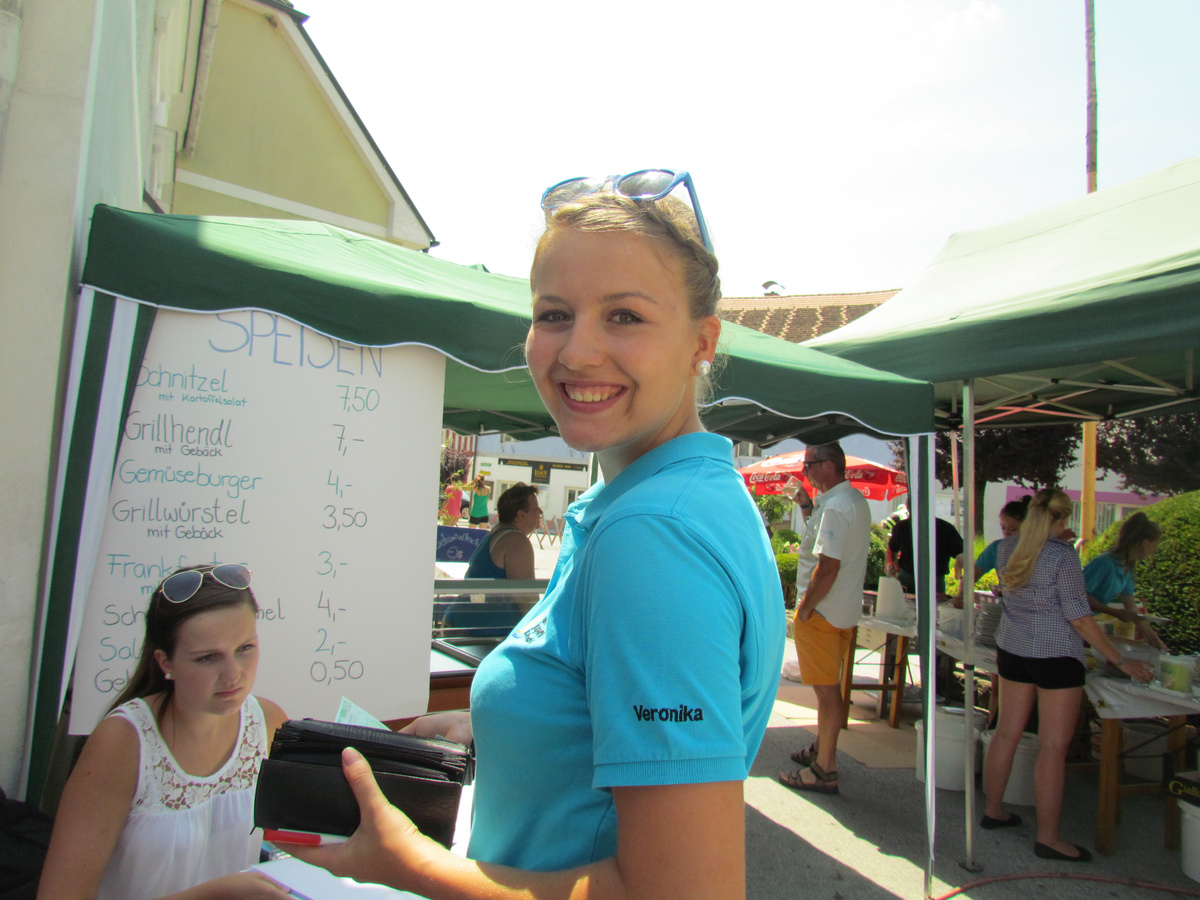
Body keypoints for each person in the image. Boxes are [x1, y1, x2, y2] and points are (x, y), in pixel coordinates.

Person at [287, 170, 784, 898]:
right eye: (554, 313)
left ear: (701, 342)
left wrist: (406, 865)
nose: (576, 352)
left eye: (624, 316)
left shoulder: (651, 535)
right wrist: (507, 732)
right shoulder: (692, 494)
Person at [38, 563, 290, 900]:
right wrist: (213, 894)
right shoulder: (124, 742)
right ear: (165, 662)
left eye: (244, 649)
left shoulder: (267, 722)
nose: (233, 675)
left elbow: (301, 844)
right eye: (207, 658)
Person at [982, 489, 1152, 863]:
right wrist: (1120, 660)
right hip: (1056, 653)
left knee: (1006, 732)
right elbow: (1080, 617)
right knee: (1053, 748)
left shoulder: (1006, 547)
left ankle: (993, 810)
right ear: (1061, 519)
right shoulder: (1062, 555)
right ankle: (1048, 838)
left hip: (1013, 648)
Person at [779, 441, 871, 794]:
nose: (805, 471)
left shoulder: (835, 506)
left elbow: (828, 567)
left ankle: (824, 769)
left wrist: (805, 608)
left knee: (827, 692)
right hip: (841, 611)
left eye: (809, 465)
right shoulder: (851, 501)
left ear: (828, 466)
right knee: (829, 690)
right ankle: (822, 750)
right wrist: (805, 504)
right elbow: (825, 545)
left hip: (823, 612)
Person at [1083, 511, 1167, 650]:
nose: (1154, 551)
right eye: (1154, 546)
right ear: (1145, 543)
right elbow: (1078, 595)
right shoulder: (1105, 563)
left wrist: (1156, 641)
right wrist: (1114, 612)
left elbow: (1131, 607)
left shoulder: (1126, 567)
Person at [463, 483, 540, 581]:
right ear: (521, 515)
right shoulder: (515, 541)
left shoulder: (497, 533)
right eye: (536, 508)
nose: (541, 512)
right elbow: (525, 590)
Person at [886, 515, 964, 595]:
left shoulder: (945, 528)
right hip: (906, 578)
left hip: (934, 580)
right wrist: (890, 563)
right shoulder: (902, 527)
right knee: (902, 601)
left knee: (934, 602)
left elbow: (962, 554)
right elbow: (891, 550)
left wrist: (960, 567)